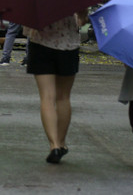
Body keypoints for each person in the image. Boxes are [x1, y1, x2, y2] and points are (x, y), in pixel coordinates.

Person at [25, 9, 87, 164]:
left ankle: (54, 146)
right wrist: (82, 18)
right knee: (63, 97)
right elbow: (82, 17)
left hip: (40, 42)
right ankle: (61, 142)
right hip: (68, 45)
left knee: (47, 97)